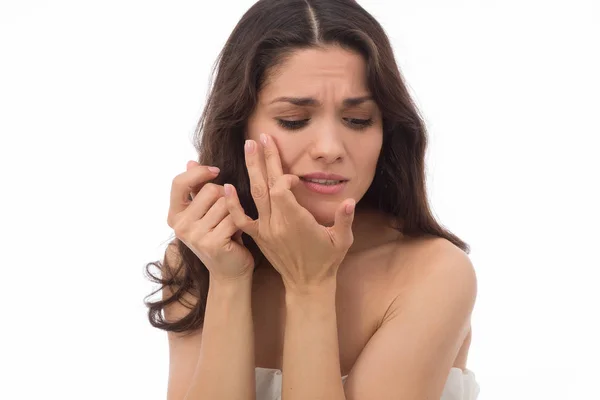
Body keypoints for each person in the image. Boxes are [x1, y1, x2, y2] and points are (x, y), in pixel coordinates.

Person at [144, 0, 480, 399]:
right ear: (239, 128)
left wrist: (311, 286)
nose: (329, 148)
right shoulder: (199, 260)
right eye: (294, 120)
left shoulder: (434, 273)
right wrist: (229, 281)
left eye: (358, 120)